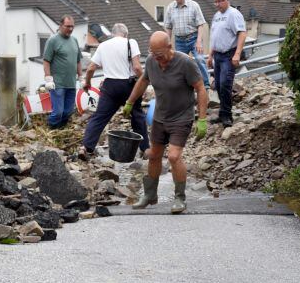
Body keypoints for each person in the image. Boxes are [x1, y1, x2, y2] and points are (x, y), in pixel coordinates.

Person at [122, 31, 208, 214]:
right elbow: (143, 81)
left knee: (174, 156)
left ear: (170, 47)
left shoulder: (185, 63)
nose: (156, 58)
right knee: (153, 155)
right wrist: (130, 102)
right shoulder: (152, 62)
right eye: (153, 54)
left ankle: (180, 198)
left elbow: (200, 88)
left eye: (160, 54)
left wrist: (202, 118)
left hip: (181, 117)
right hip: (160, 117)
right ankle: (150, 195)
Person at [79, 23, 149, 157]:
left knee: (99, 117)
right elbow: (137, 68)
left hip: (109, 86)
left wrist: (87, 83)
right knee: (137, 116)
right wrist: (143, 83)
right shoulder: (131, 42)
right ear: (126, 34)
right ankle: (145, 149)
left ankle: (86, 148)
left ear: (112, 34)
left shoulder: (103, 45)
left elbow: (91, 68)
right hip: (129, 85)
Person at [206, 0, 247, 126]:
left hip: (229, 54)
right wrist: (210, 55)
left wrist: (237, 54)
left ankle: (227, 116)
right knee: (218, 85)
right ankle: (222, 113)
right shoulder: (216, 16)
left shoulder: (234, 14)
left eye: (220, 1)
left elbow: (242, 33)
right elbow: (214, 37)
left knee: (225, 84)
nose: (218, 4)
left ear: (227, 0)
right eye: (216, 1)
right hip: (217, 54)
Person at [163, 0, 211, 90]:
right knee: (180, 63)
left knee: (199, 59)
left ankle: (206, 84)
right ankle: (184, 85)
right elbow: (168, 27)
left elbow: (200, 24)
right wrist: (167, 43)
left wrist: (199, 41)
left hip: (193, 38)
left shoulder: (194, 5)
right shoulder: (170, 8)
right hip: (179, 40)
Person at [42, 15, 82, 129]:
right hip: (57, 83)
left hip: (71, 83)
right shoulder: (53, 40)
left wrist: (81, 77)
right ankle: (51, 130)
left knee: (68, 112)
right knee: (58, 112)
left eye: (72, 27)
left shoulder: (74, 40)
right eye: (67, 26)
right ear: (60, 25)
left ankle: (61, 130)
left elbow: (78, 60)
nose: (70, 29)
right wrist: (48, 78)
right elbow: (46, 61)